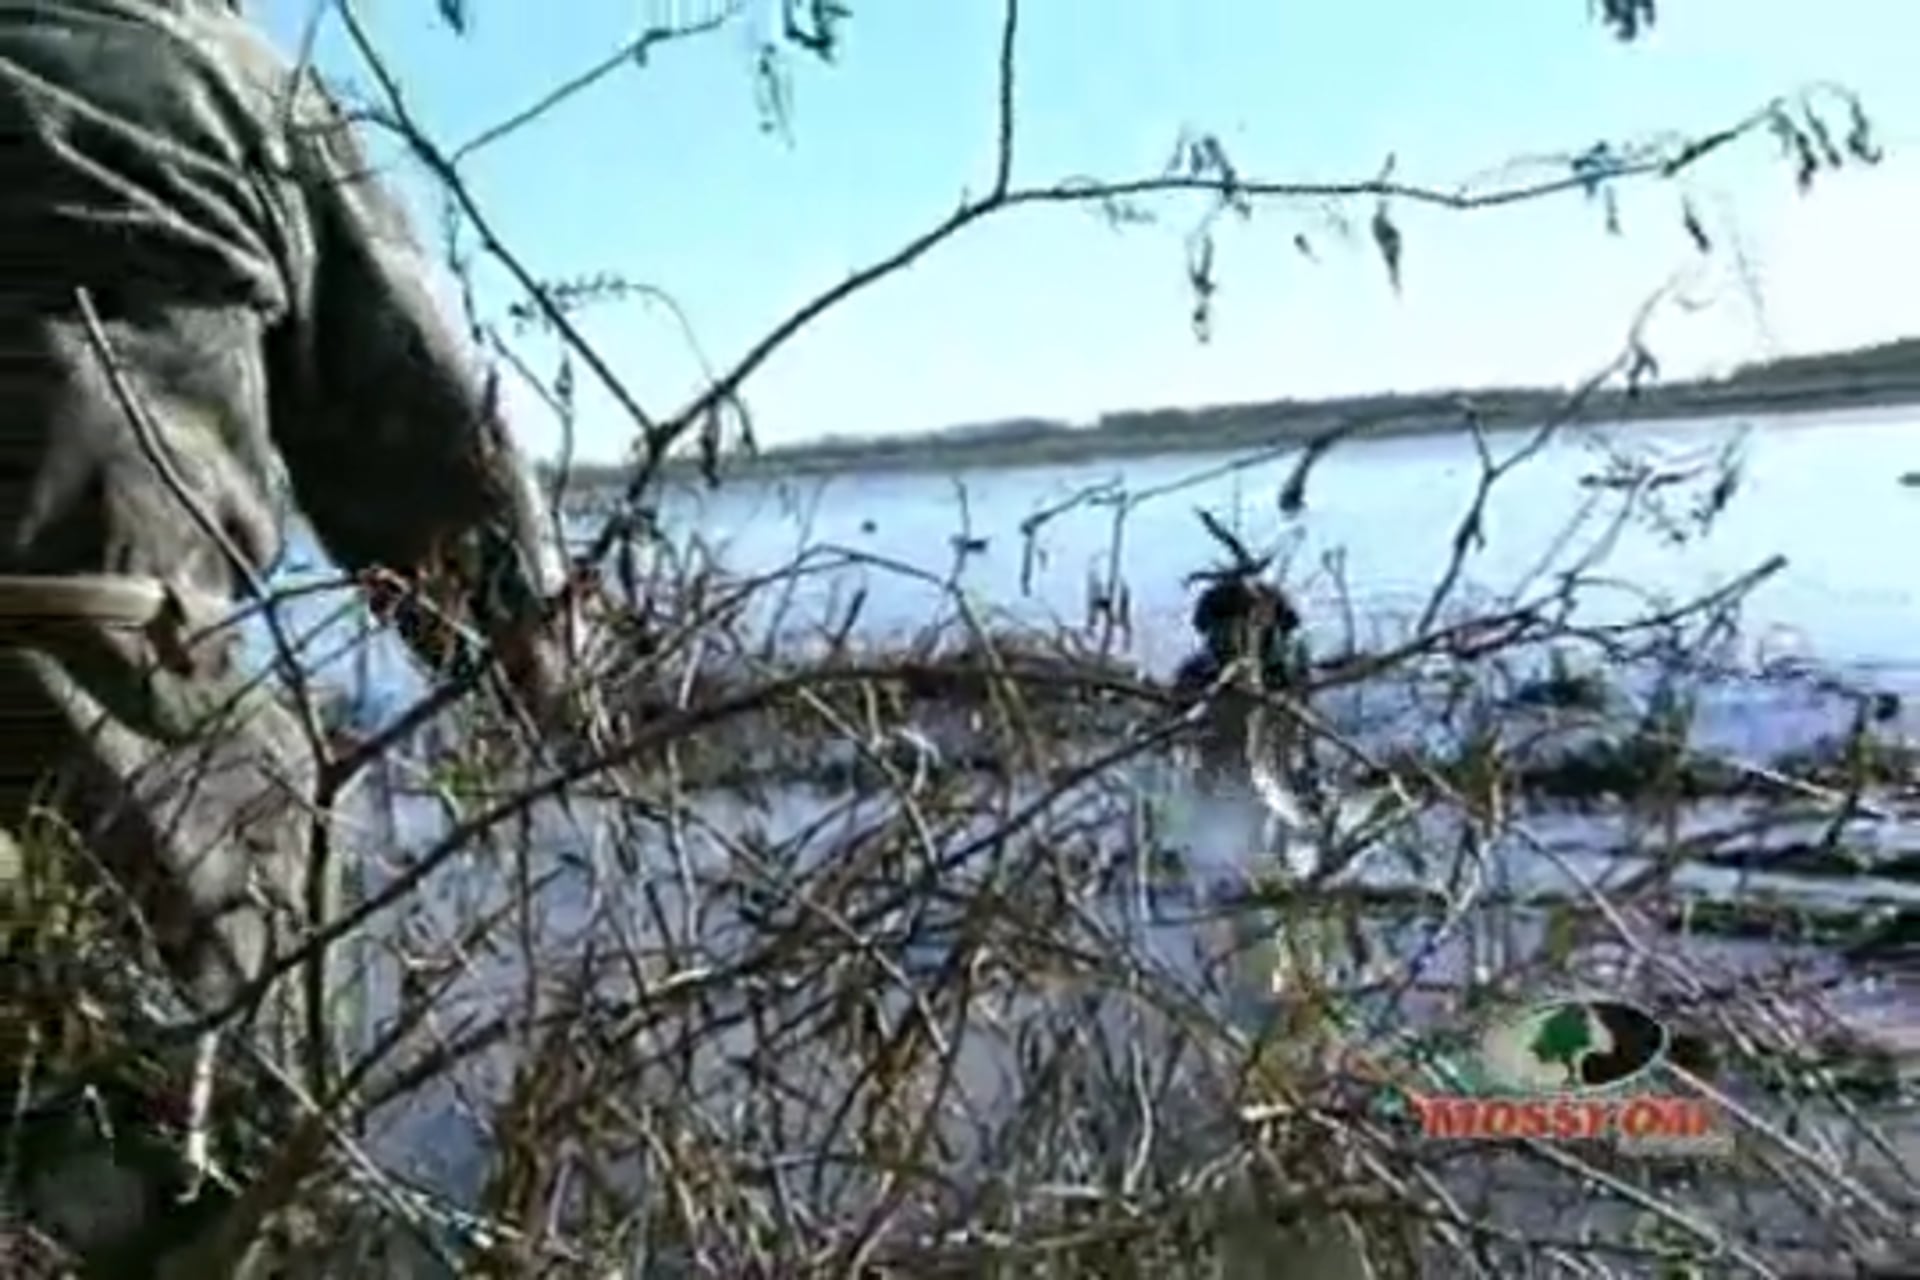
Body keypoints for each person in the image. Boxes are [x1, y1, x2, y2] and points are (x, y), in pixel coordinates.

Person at [0, 0, 583, 1268]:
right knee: (216, 1203)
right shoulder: (219, 77)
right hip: (127, 771)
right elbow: (444, 484)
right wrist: (573, 711)